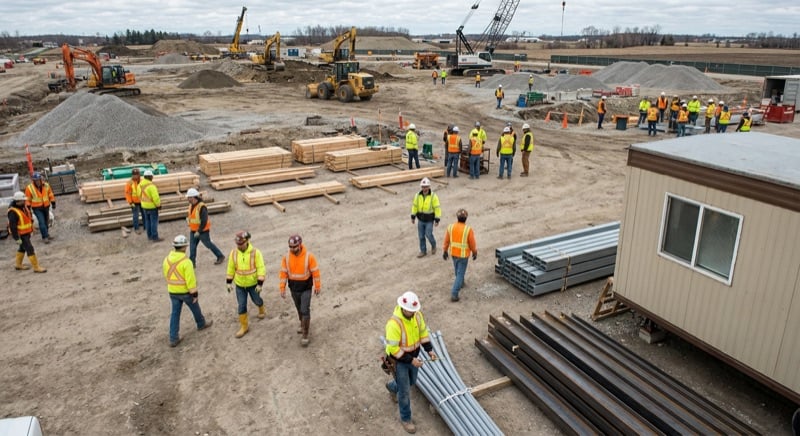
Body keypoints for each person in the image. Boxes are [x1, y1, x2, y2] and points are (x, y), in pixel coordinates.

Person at [384, 291, 437, 434]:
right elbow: (393, 349)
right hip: (399, 361)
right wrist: (411, 360)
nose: (412, 312)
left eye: (414, 310)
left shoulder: (417, 316)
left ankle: (392, 386)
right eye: (410, 310)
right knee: (405, 391)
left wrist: (429, 350)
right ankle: (406, 418)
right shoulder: (394, 324)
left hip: (414, 357)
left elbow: (423, 333)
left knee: (412, 381)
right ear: (403, 307)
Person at [163, 234, 213, 347]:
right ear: (185, 247)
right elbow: (191, 280)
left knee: (175, 314)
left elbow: (166, 274)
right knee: (195, 308)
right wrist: (194, 293)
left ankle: (173, 338)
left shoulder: (166, 260)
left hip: (173, 291)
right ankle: (201, 324)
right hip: (185, 292)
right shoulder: (186, 262)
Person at [279, 234, 321, 347]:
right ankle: (302, 323)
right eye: (290, 247)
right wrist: (282, 287)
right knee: (299, 309)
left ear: (300, 245)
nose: (292, 249)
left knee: (304, 309)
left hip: (306, 288)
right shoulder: (286, 258)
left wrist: (317, 286)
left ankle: (305, 334)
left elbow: (315, 272)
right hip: (294, 288)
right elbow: (283, 273)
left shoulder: (309, 257)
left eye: (294, 246)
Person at [226, 231, 267, 338]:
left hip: (253, 284)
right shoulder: (233, 253)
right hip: (240, 285)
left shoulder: (255, 253)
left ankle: (261, 308)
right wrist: (229, 282)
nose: (239, 246)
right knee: (241, 305)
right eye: (237, 244)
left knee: (256, 300)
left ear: (247, 241)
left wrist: (260, 284)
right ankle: (244, 327)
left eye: (241, 244)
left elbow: (261, 268)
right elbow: (231, 268)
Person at [442, 209, 477, 302]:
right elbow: (472, 243)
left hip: (453, 254)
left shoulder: (451, 227)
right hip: (463, 255)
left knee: (457, 271)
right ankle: (454, 293)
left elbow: (446, 240)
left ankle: (460, 283)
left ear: (457, 217)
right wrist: (474, 252)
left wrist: (445, 251)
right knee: (460, 274)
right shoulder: (468, 229)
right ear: (466, 218)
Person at [8, 191, 46, 273]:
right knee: (29, 248)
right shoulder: (13, 212)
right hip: (21, 235)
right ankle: (36, 267)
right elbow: (13, 227)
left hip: (26, 233)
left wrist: (32, 228)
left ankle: (18, 264)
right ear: (18, 201)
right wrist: (16, 238)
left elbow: (27, 218)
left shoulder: (22, 207)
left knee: (22, 248)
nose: (24, 201)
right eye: (23, 200)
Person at [187, 188, 225, 266]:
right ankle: (192, 263)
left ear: (193, 197)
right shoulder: (191, 205)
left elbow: (204, 220)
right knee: (192, 247)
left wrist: (199, 231)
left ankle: (220, 256)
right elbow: (192, 217)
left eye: (189, 197)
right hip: (193, 230)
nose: (188, 199)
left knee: (208, 244)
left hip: (203, 231)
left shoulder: (202, 207)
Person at [410, 177, 441, 258]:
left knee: (428, 234)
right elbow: (415, 206)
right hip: (420, 219)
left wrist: (437, 219)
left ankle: (433, 245)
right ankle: (423, 251)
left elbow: (437, 208)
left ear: (429, 187)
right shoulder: (417, 195)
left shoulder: (433, 196)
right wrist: (413, 216)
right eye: (423, 187)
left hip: (429, 220)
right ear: (421, 187)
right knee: (421, 236)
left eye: (426, 186)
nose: (425, 188)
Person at [24, 171, 55, 243]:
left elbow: (50, 194)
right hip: (37, 208)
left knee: (46, 222)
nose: (38, 182)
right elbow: (27, 199)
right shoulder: (29, 188)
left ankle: (46, 234)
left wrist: (53, 202)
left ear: (40, 179)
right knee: (41, 222)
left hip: (46, 206)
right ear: (34, 181)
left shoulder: (46, 185)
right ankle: (45, 237)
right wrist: (28, 207)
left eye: (38, 180)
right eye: (36, 180)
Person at [139, 169, 163, 242]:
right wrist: (158, 205)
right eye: (152, 176)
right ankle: (155, 237)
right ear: (150, 177)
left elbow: (138, 194)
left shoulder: (140, 185)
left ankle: (149, 236)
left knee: (147, 221)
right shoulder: (151, 186)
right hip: (152, 207)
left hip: (144, 206)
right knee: (153, 222)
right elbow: (155, 197)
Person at [124, 168, 143, 235]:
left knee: (144, 214)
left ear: (139, 175)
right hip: (134, 202)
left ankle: (146, 226)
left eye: (136, 175)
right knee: (136, 215)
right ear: (132, 175)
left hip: (142, 201)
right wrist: (130, 202)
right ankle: (136, 228)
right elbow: (127, 193)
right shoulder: (129, 183)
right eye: (134, 175)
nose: (135, 176)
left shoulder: (142, 181)